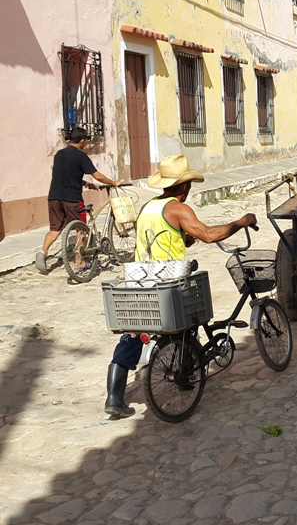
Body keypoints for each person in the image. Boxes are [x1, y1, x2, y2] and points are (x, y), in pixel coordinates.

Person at [104, 154, 257, 418]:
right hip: (168, 282)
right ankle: (186, 376)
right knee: (190, 321)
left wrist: (184, 238)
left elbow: (164, 236)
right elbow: (208, 235)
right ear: (185, 186)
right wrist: (240, 222)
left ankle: (114, 398)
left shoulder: (149, 207)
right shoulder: (178, 208)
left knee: (133, 334)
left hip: (141, 282)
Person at [35, 127, 121, 274]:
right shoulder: (80, 156)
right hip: (72, 199)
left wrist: (87, 184)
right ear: (82, 141)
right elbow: (97, 175)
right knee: (81, 229)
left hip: (54, 197)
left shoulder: (59, 155)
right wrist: (113, 182)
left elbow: (68, 174)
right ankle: (79, 262)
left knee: (55, 228)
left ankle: (43, 252)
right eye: (85, 141)